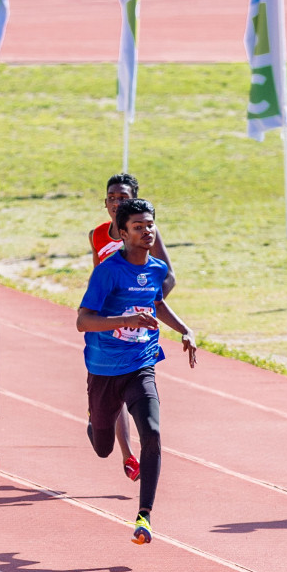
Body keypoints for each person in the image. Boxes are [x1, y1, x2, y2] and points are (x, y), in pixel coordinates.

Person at [78, 198, 197, 545]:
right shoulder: (108, 272)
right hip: (102, 369)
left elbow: (157, 302)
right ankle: (95, 417)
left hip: (140, 362)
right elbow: (83, 321)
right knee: (102, 447)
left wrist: (184, 330)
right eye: (138, 227)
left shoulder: (157, 269)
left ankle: (144, 515)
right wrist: (127, 319)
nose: (146, 232)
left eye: (150, 226)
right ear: (125, 234)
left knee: (153, 432)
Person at [89, 174, 177, 483]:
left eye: (123, 198)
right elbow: (97, 276)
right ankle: (122, 447)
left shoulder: (145, 233)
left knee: (131, 386)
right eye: (111, 197)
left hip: (138, 328)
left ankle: (129, 455)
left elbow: (168, 277)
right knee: (112, 388)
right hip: (107, 328)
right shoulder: (98, 235)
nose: (116, 203)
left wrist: (145, 304)